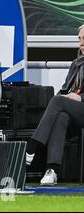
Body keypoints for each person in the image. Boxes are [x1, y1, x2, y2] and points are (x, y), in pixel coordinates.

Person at [26, 24, 84, 185]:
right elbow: (65, 89)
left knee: (59, 102)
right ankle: (52, 170)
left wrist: (80, 98)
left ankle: (32, 146)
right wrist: (66, 97)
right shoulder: (76, 63)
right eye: (79, 39)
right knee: (61, 117)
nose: (81, 43)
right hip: (75, 112)